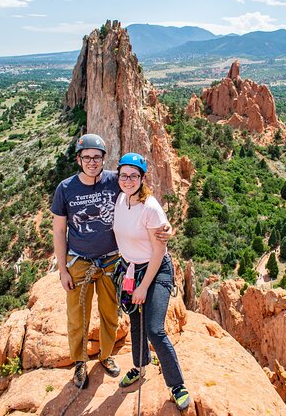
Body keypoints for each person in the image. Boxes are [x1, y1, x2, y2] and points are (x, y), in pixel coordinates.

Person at [51, 134, 170, 389]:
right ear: (78, 160)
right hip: (79, 261)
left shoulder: (114, 182)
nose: (92, 162)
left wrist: (167, 228)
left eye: (97, 157)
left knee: (109, 312)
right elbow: (59, 231)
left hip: (111, 262)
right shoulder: (65, 188)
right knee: (78, 315)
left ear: (104, 159)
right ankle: (80, 362)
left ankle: (106, 355)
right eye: (87, 157)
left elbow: (144, 202)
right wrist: (62, 270)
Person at [113, 152, 191, 411]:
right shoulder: (121, 199)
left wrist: (144, 286)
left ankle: (177, 384)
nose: (128, 180)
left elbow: (158, 252)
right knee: (136, 320)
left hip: (156, 271)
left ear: (142, 179)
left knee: (155, 329)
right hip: (131, 270)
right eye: (124, 175)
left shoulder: (150, 207)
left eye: (134, 176)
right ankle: (139, 365)